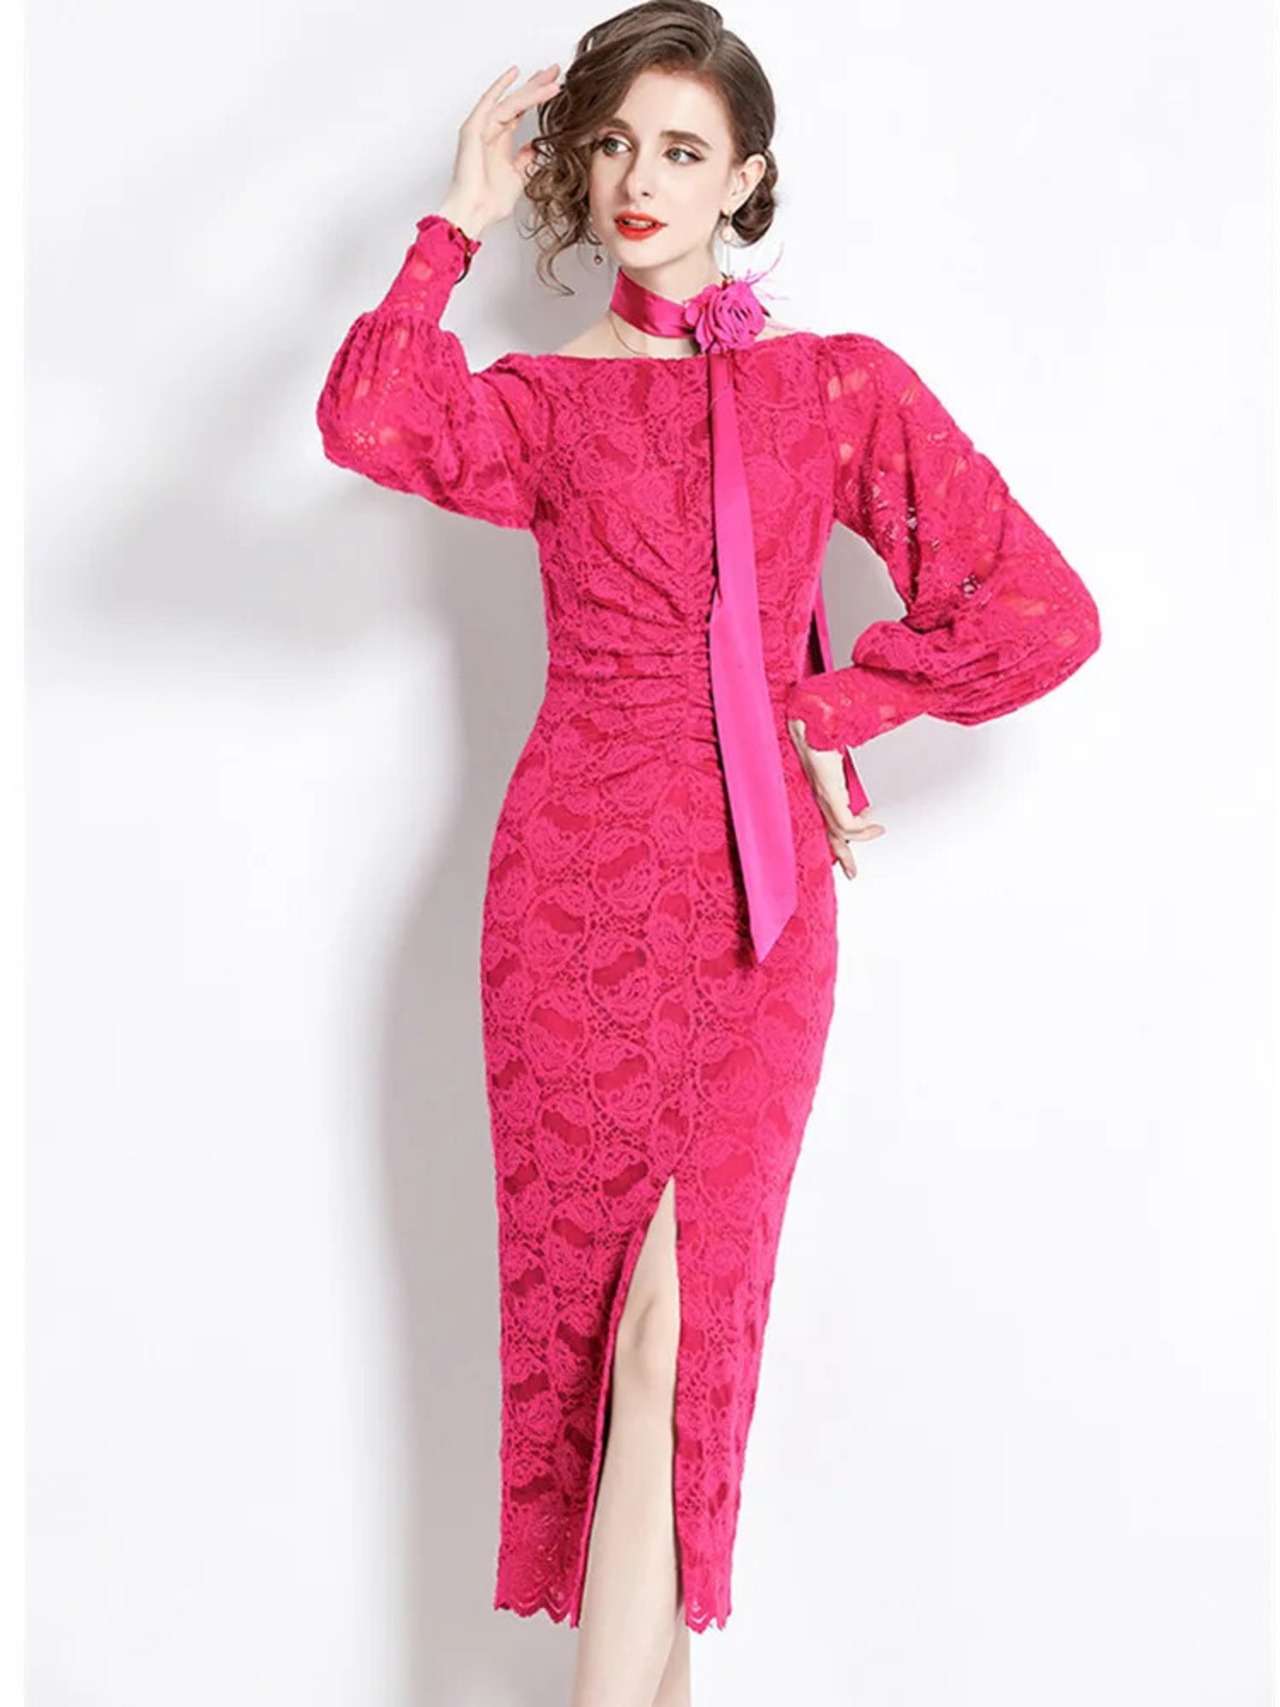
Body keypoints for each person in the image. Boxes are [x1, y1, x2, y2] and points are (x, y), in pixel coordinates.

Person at [315, 5, 1102, 1703]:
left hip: (760, 912)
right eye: (613, 144)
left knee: (686, 1332)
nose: (641, 179)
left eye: (682, 149)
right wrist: (454, 216)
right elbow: (369, 423)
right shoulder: (541, 406)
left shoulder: (836, 388)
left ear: (746, 181)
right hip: (573, 899)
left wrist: (829, 707)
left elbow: (1042, 610)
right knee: (615, 1351)